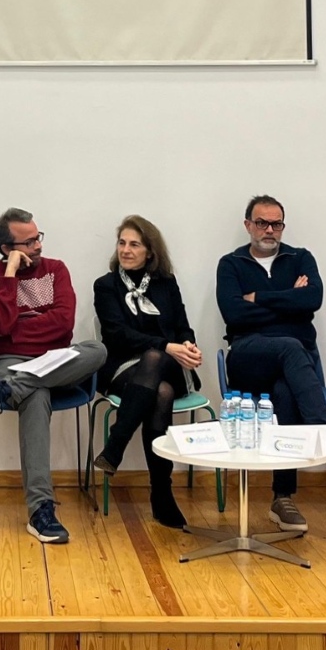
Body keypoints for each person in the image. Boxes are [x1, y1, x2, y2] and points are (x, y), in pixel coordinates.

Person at [216, 194, 326, 534]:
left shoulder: (300, 258)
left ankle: (282, 499)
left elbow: (313, 299)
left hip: (293, 362)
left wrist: (260, 298)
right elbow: (234, 312)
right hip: (248, 356)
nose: (270, 230)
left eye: (277, 223)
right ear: (248, 225)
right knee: (290, 344)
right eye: (262, 223)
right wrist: (289, 300)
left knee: (286, 390)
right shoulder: (231, 264)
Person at [0, 208, 107, 543]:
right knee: (37, 394)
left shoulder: (56, 270)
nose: (37, 245)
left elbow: (63, 325)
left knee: (97, 350)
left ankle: (5, 391)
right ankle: (41, 511)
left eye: (38, 237)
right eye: (28, 241)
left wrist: (16, 330)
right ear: (8, 248)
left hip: (53, 361)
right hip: (6, 362)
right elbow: (0, 327)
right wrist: (10, 275)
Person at [90, 216, 202, 529]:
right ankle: (162, 495)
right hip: (124, 367)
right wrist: (166, 347)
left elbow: (181, 326)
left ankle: (116, 445)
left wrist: (188, 346)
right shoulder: (106, 286)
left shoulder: (166, 283)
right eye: (122, 243)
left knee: (156, 363)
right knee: (160, 391)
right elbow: (115, 335)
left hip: (168, 364)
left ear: (149, 252)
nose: (126, 250)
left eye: (134, 244)